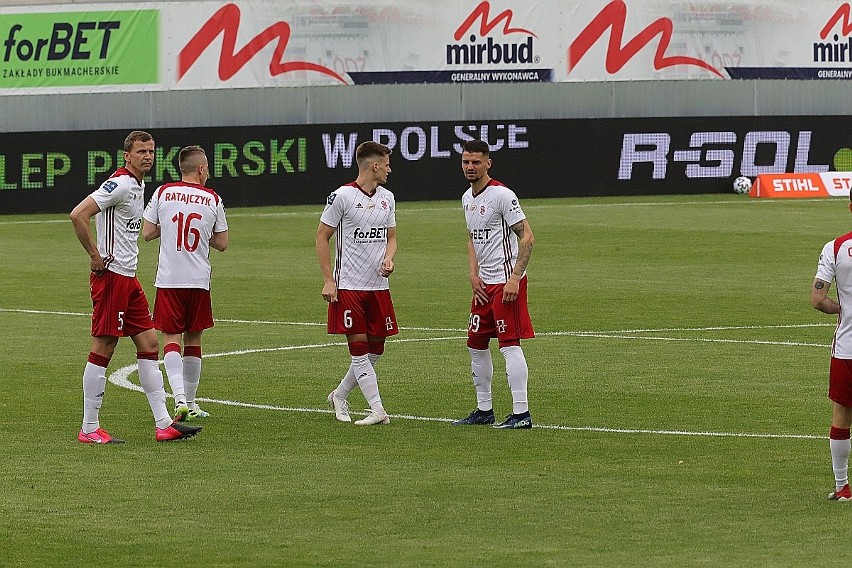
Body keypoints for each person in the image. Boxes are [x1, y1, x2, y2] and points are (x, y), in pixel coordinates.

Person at [70, 130, 201, 443]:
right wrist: (94, 255)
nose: (148, 156)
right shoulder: (120, 184)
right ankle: (89, 428)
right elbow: (78, 215)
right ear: (127, 155)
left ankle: (163, 423)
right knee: (104, 346)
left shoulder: (140, 185)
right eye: (141, 151)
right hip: (112, 277)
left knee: (149, 343)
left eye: (151, 151)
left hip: (128, 279)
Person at [452, 139, 535, 429]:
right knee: (475, 343)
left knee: (508, 345)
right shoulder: (467, 198)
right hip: (484, 284)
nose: (470, 167)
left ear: (488, 163)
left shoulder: (502, 195)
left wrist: (515, 278)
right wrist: (473, 273)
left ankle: (521, 414)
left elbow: (527, 237)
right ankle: (484, 410)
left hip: (506, 283)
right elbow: (472, 237)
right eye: (466, 161)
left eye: (476, 162)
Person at [142, 145, 228, 421]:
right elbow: (222, 243)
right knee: (194, 339)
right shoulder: (212, 198)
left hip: (169, 279)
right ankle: (190, 402)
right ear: (201, 169)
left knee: (170, 339)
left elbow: (147, 233)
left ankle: (178, 398)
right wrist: (203, 236)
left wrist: (168, 228)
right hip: (198, 280)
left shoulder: (163, 192)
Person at [317, 141, 398, 426]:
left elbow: (391, 237)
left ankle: (339, 395)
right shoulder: (342, 196)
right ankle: (378, 410)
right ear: (374, 165)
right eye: (387, 164)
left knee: (377, 349)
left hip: (378, 287)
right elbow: (321, 237)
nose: (389, 169)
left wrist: (389, 259)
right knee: (360, 349)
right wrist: (329, 280)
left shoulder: (388, 198)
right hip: (349, 286)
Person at [812, 202, 852, 500]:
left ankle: (842, 487)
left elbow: (817, 300)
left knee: (841, 414)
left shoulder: (835, 248)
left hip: (847, 348)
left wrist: (841, 309)